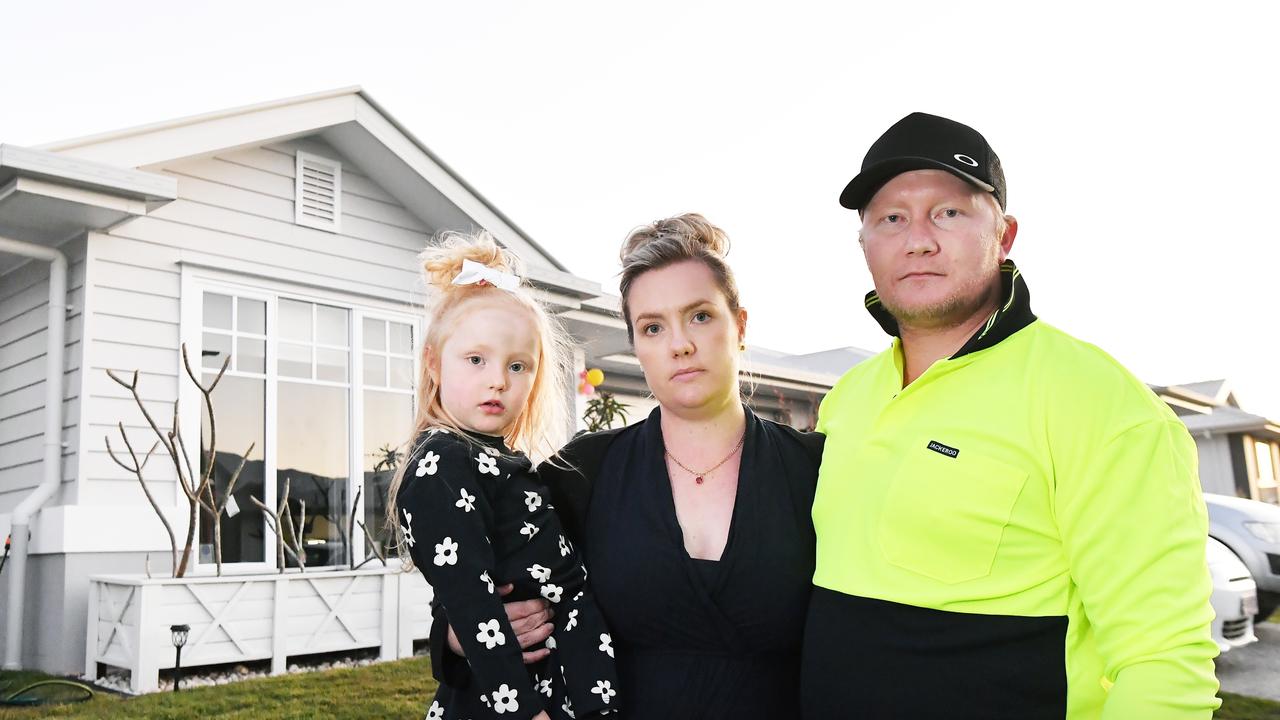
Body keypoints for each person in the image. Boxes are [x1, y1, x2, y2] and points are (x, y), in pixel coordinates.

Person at [801, 112, 1221, 719]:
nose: (917, 238)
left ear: (1004, 235)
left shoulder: (1099, 403)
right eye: (891, 218)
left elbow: (1164, 666)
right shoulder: (849, 396)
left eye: (948, 212)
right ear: (864, 243)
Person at [430, 214, 824, 719]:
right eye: (653, 327)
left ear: (739, 325)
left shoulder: (814, 469)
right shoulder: (582, 472)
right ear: (636, 346)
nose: (679, 343)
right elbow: (468, 586)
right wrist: (461, 635)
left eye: (700, 316)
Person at [388, 231, 619, 720]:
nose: (498, 379)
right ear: (433, 362)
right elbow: (470, 608)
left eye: (518, 366)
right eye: (476, 359)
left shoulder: (499, 458)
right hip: (508, 701)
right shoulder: (443, 463)